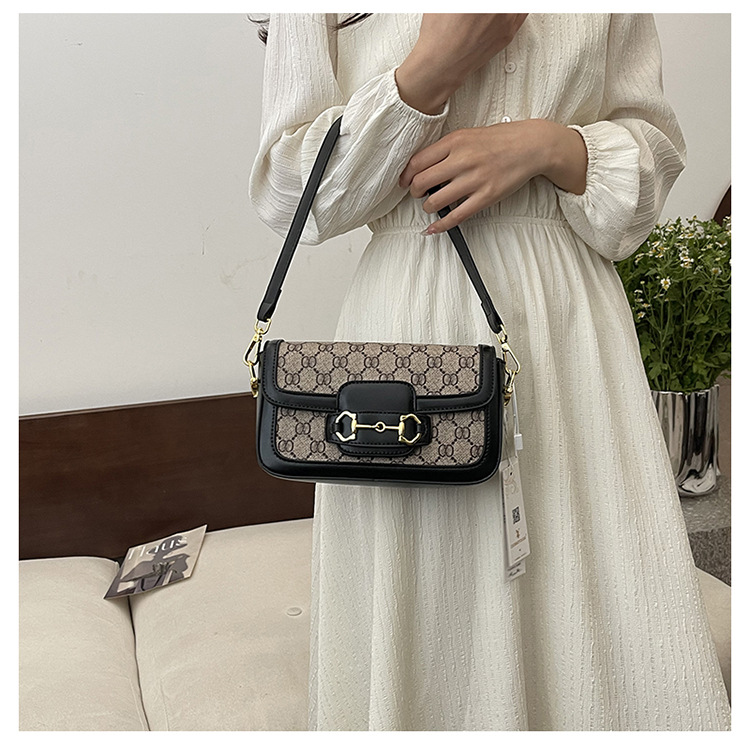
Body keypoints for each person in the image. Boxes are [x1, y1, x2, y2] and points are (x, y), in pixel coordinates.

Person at [248, 13, 731, 731]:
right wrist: (425, 76)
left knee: (596, 610)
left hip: (570, 325)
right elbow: (292, 196)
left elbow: (646, 171)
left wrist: (547, 146)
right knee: (432, 611)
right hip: (414, 323)